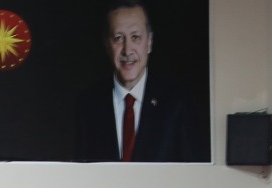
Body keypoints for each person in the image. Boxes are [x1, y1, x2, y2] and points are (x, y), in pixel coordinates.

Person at [72, 2, 205, 163]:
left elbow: (194, 177)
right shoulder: (87, 105)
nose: (127, 50)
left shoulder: (177, 103)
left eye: (135, 37)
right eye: (118, 38)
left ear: (149, 42)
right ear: (107, 44)